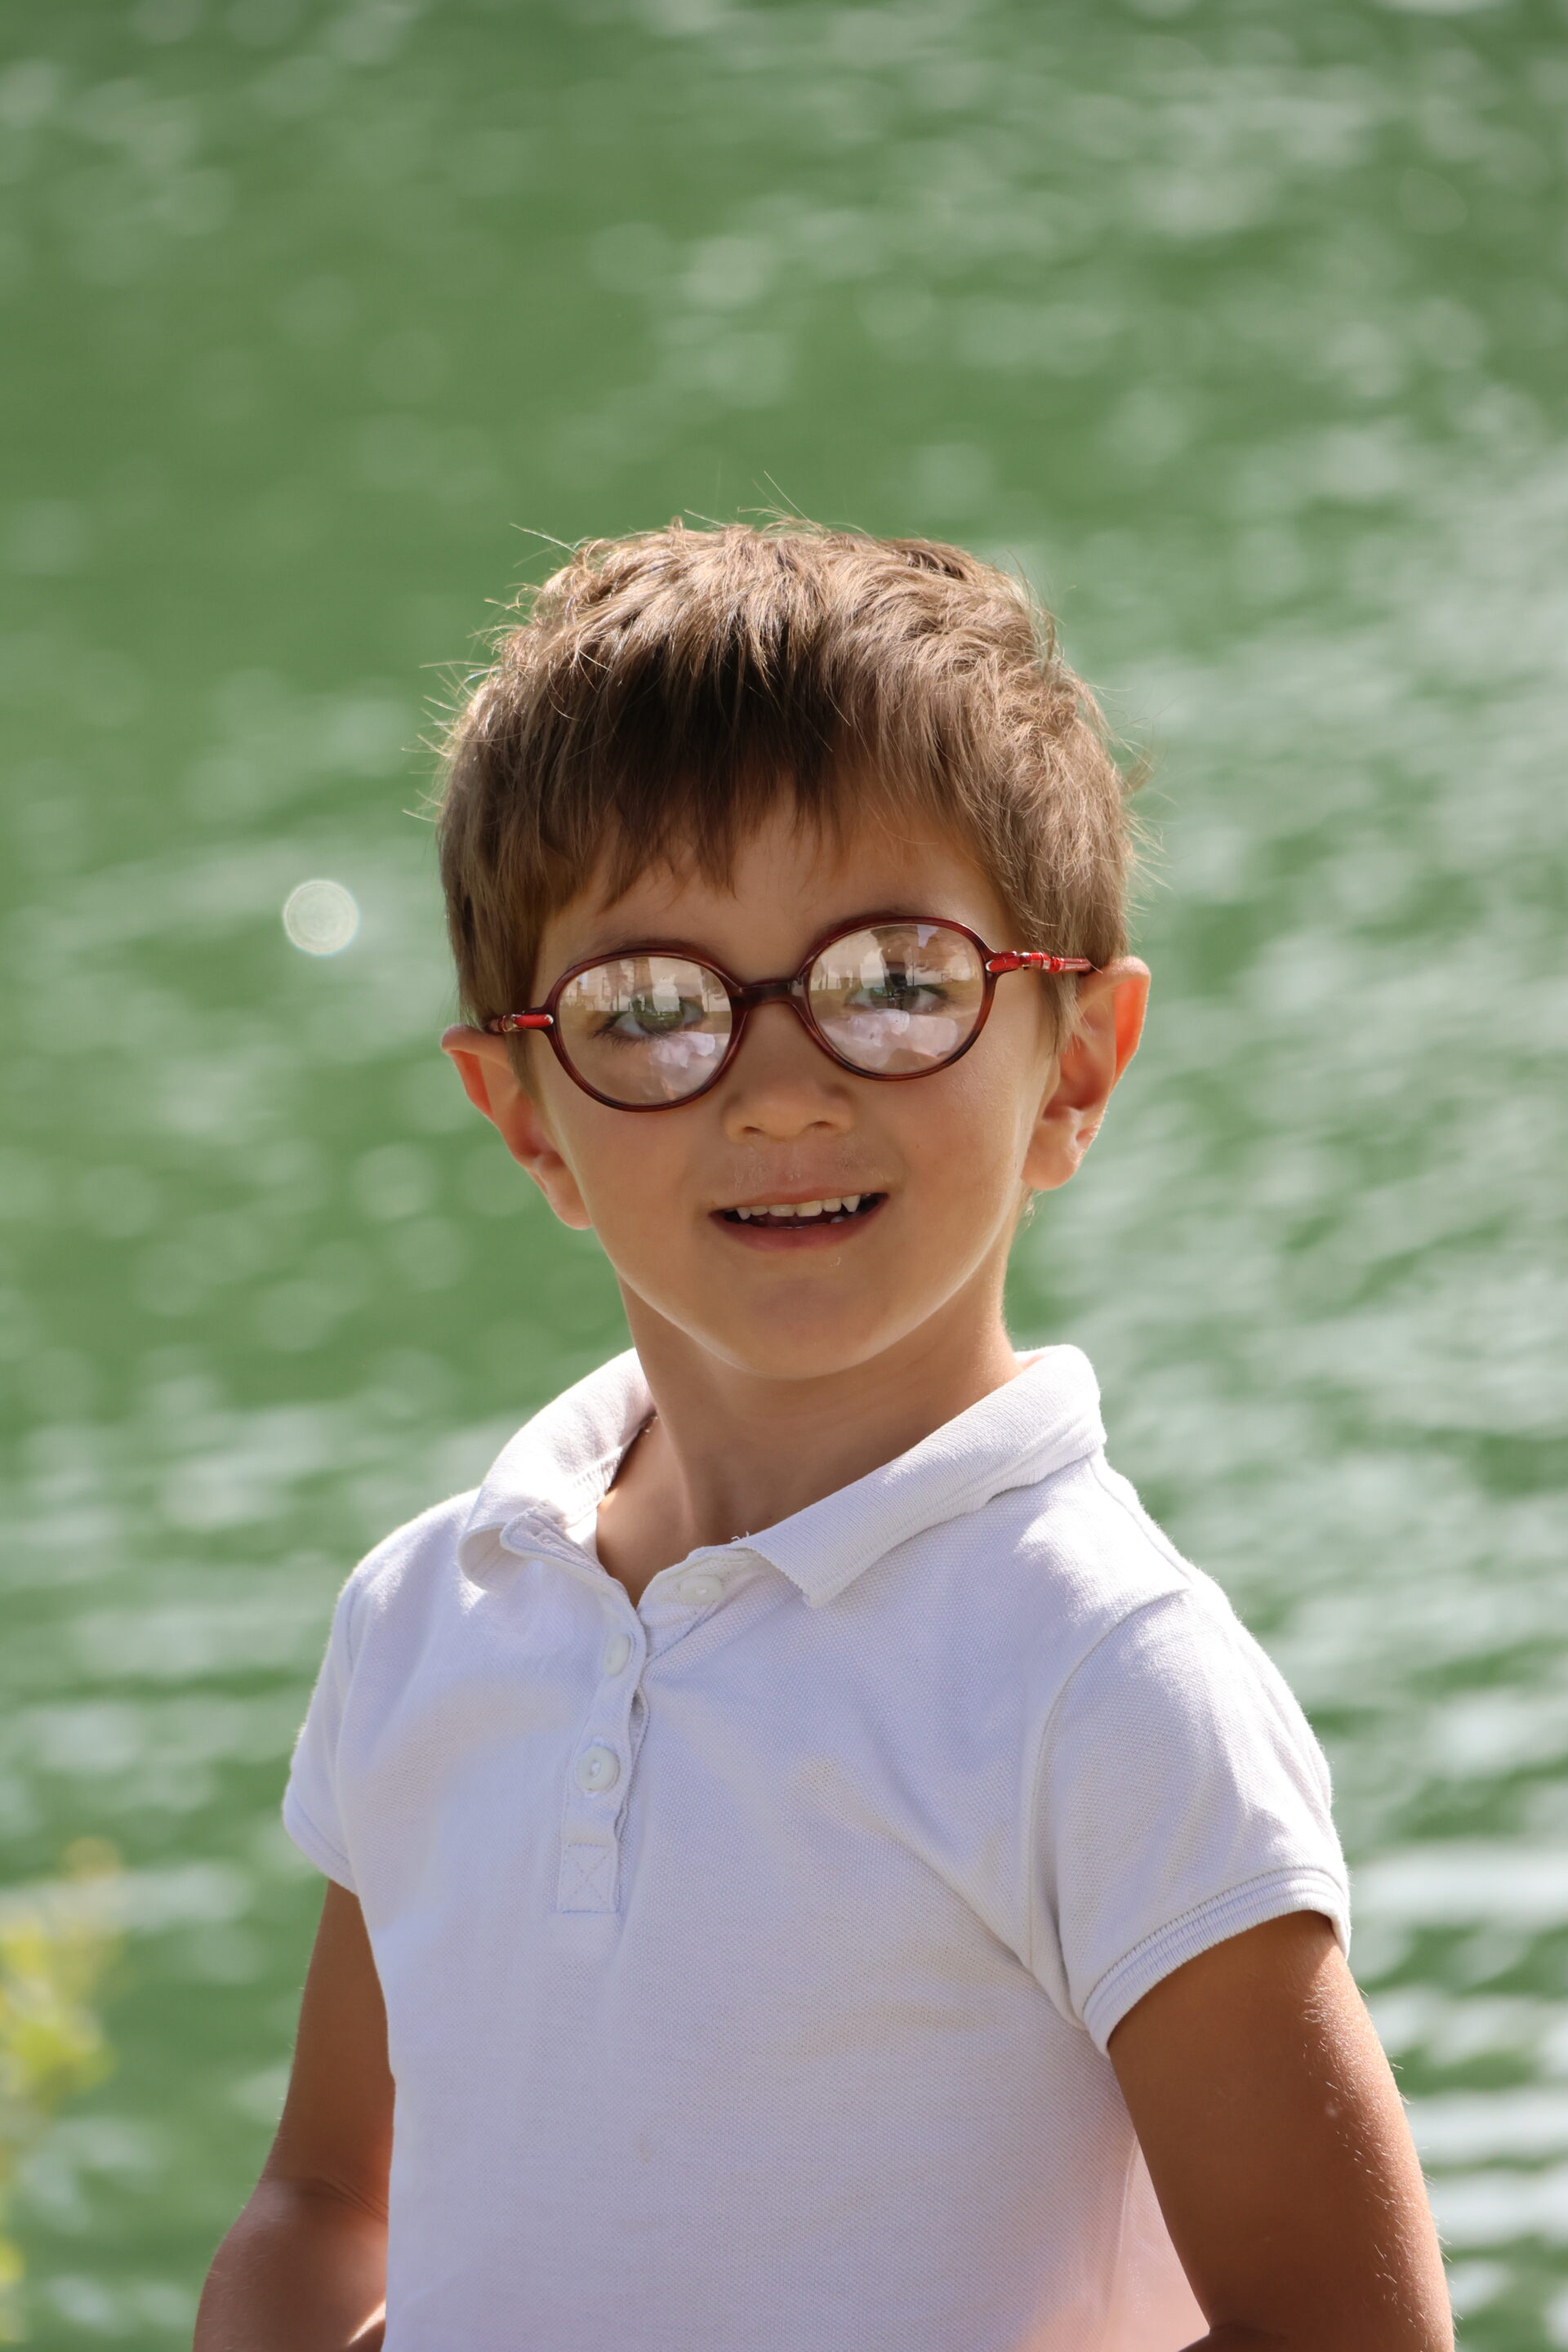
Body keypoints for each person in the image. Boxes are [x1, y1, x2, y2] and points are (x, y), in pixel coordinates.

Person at [194, 522, 1450, 2352]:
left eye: (897, 982)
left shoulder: (1102, 1679)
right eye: (650, 1009)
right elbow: (326, 2204)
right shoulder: (424, 1621)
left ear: (1077, 1061)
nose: (780, 1093)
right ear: (526, 1114)